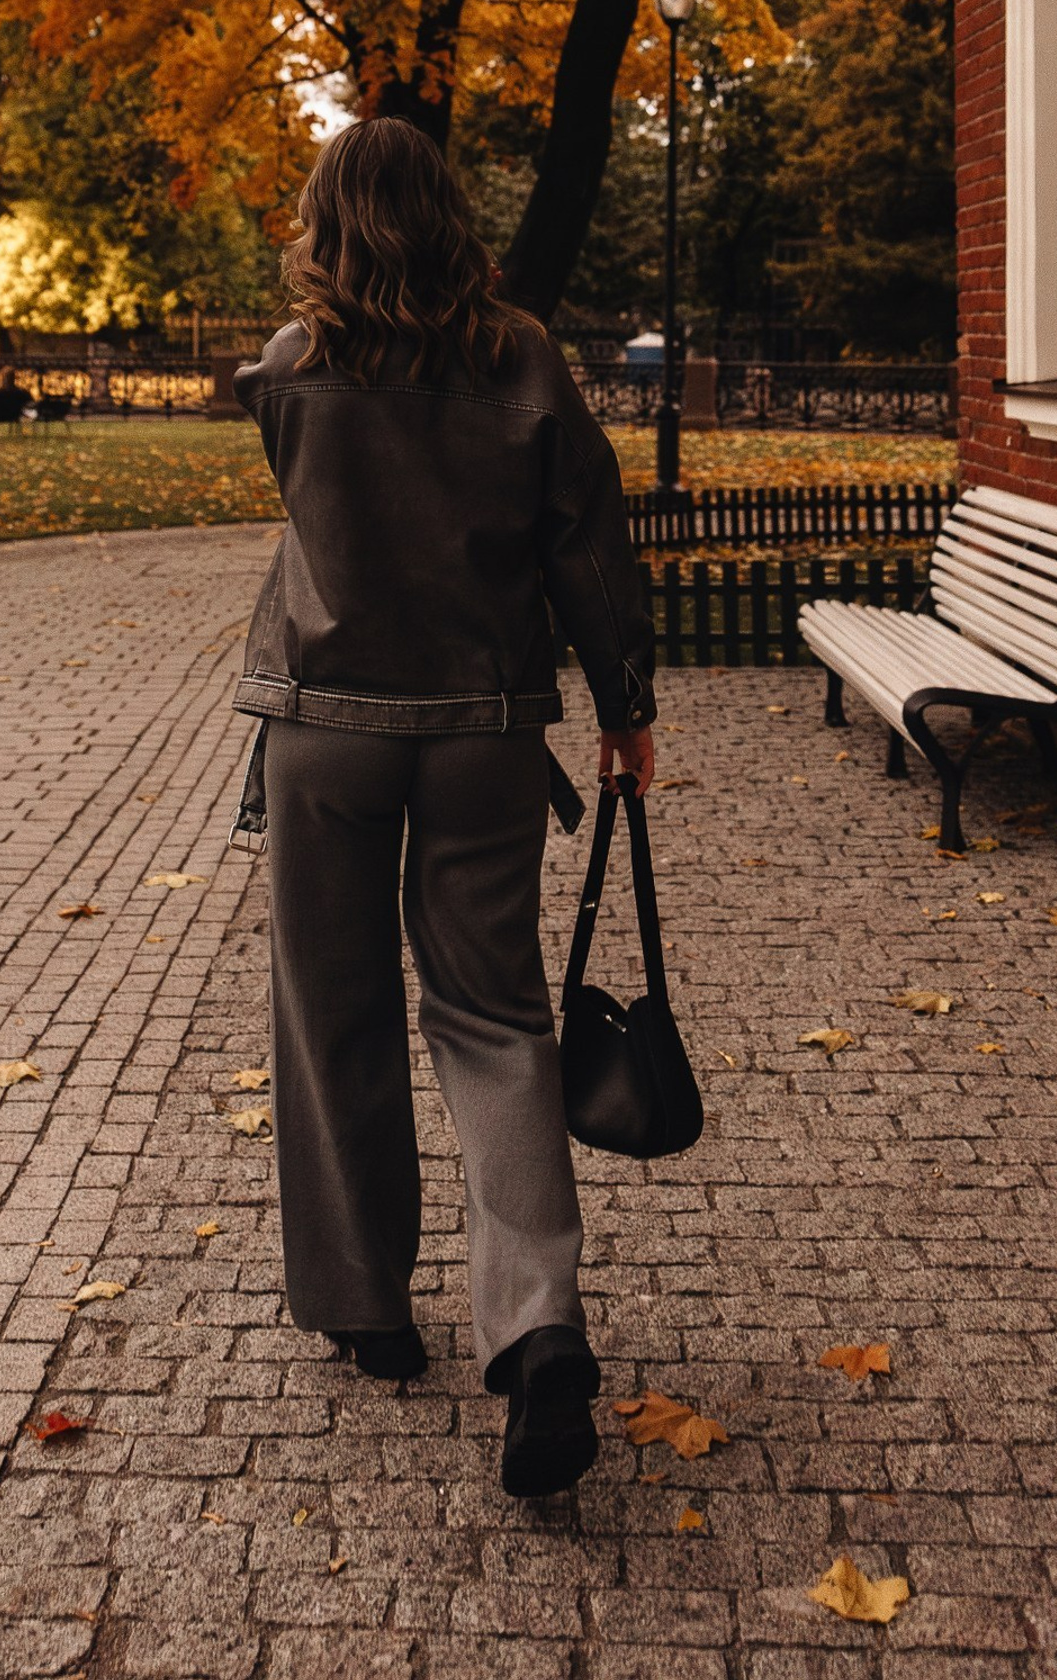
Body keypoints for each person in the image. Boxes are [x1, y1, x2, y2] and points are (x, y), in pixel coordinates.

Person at [233, 116, 656, 1497]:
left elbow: (318, 508)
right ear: (449, 213)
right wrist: (626, 706)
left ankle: (366, 1309)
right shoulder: (523, 357)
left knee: (332, 1010)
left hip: (326, 733)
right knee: (495, 1020)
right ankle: (538, 1335)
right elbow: (587, 536)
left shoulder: (291, 369)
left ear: (327, 219)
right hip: (483, 730)